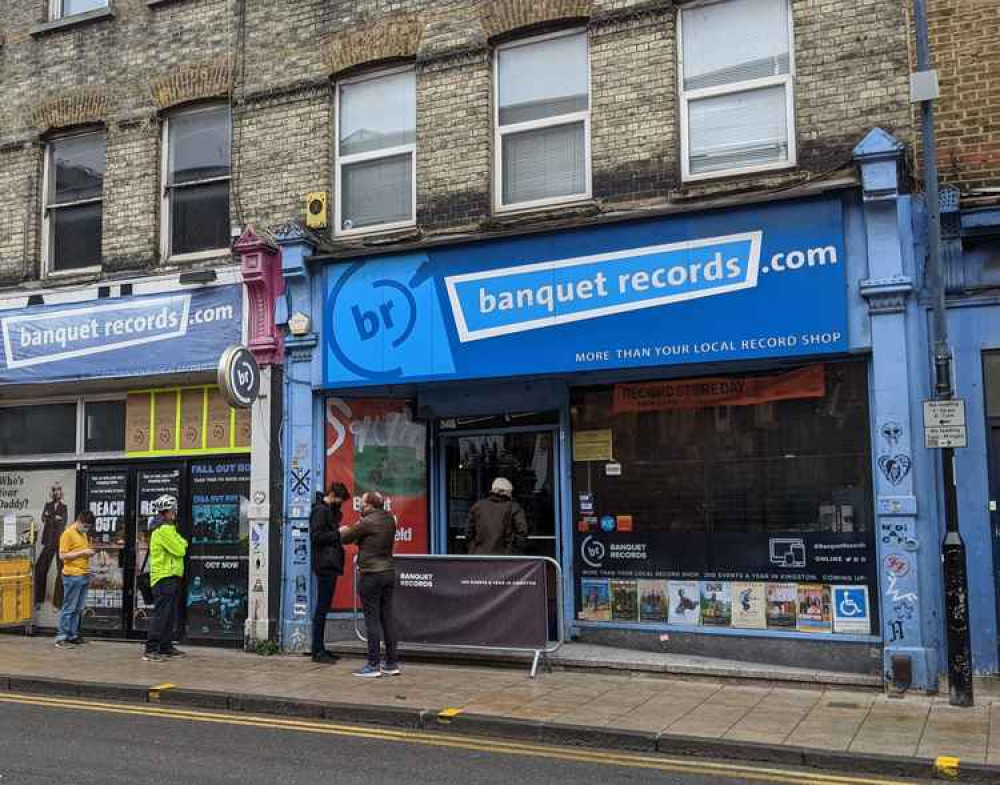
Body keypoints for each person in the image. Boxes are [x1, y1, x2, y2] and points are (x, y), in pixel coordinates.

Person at [341, 491, 398, 678]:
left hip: (372, 574)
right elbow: (366, 539)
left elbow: (346, 538)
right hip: (388, 572)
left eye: (363, 504)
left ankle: (373, 665)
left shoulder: (367, 522)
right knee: (386, 618)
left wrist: (342, 530)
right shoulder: (390, 519)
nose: (360, 507)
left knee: (372, 620)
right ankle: (391, 663)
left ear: (371, 505)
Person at [143, 495, 188, 662]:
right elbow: (181, 549)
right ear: (167, 512)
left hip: (170, 576)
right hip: (164, 577)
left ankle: (165, 646)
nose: (175, 512)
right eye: (173, 510)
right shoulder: (164, 530)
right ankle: (151, 648)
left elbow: (182, 542)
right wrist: (180, 543)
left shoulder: (166, 528)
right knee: (161, 615)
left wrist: (181, 543)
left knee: (168, 615)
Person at [309, 482, 348, 664]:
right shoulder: (320, 510)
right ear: (332, 495)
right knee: (322, 608)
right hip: (325, 564)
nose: (340, 503)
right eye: (339, 499)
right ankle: (317, 650)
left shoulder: (327, 510)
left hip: (328, 563)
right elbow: (316, 537)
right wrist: (338, 534)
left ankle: (320, 647)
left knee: (324, 607)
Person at [54, 510, 95, 648]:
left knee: (78, 608)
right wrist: (83, 552)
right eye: (86, 525)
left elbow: (78, 552)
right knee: (69, 607)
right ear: (79, 521)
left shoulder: (82, 534)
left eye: (89, 526)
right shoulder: (68, 533)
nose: (87, 528)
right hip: (72, 575)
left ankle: (73, 634)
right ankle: (61, 637)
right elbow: (62, 556)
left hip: (83, 574)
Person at [466, 477, 528, 555]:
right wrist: (513, 553)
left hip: (479, 557)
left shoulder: (478, 506)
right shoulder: (514, 507)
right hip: (505, 559)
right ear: (507, 492)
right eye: (510, 492)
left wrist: (473, 549)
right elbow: (522, 533)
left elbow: (468, 533)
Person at [34, 482, 68, 609]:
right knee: (40, 569)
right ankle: (38, 600)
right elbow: (44, 518)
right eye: (54, 490)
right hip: (48, 541)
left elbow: (62, 523)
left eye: (58, 490)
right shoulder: (47, 505)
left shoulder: (64, 507)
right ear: (52, 492)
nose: (56, 492)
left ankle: (57, 604)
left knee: (61, 571)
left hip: (59, 542)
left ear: (61, 492)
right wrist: (53, 518)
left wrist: (50, 518)